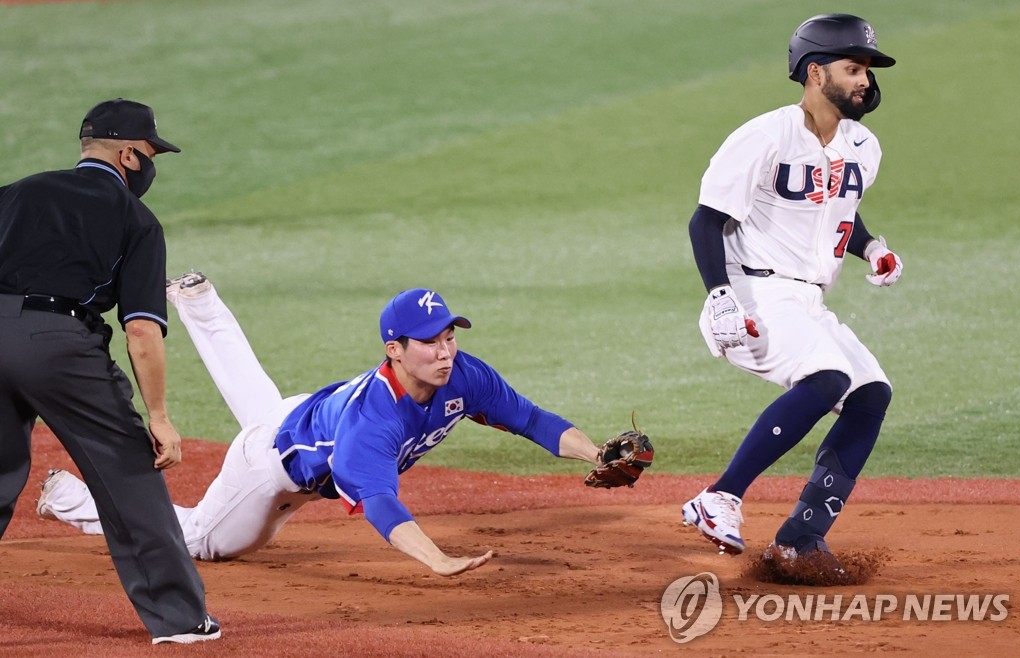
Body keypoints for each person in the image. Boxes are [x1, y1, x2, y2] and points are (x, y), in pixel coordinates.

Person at [39, 274, 609, 576]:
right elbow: (382, 502)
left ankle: (202, 304)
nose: (446, 351)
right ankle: (71, 498)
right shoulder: (372, 426)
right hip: (270, 466)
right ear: (394, 348)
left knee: (261, 404)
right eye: (431, 342)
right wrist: (437, 558)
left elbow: (531, 419)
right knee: (203, 544)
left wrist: (596, 453)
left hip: (304, 412)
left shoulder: (463, 374)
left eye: (451, 335)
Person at [680, 14, 903, 569]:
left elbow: (835, 213)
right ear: (813, 72)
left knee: (871, 393)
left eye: (867, 71)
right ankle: (719, 497)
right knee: (827, 376)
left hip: (806, 302)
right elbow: (706, 221)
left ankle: (800, 536)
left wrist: (872, 248)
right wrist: (719, 296)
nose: (865, 82)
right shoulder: (765, 136)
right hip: (751, 295)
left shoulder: (862, 145)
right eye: (853, 69)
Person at [0, 99, 220, 644]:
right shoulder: (135, 219)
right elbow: (141, 330)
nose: (151, 164)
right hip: (56, 346)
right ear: (127, 154)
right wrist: (161, 417)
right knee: (128, 475)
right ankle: (179, 620)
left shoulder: (16, 192)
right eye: (150, 153)